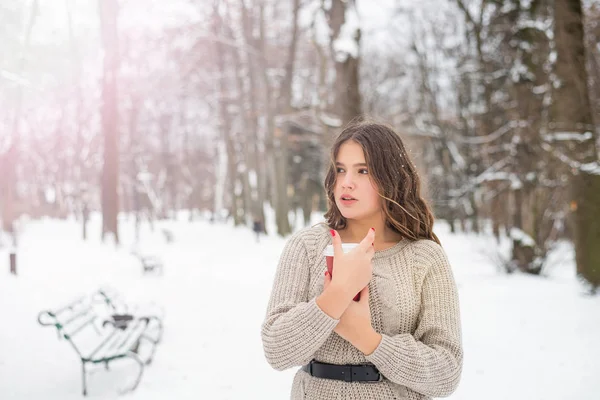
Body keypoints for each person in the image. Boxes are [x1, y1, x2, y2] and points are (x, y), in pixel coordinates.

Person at [261, 120, 463, 400]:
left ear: (392, 177)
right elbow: (276, 350)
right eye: (340, 169)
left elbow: (446, 371)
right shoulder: (306, 246)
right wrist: (335, 297)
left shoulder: (424, 256)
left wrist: (367, 338)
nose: (346, 182)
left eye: (363, 171)